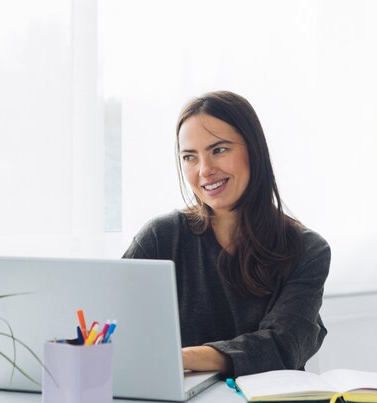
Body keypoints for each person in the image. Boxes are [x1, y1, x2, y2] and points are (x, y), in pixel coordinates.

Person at [123, 91, 331, 377]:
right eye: (189, 157)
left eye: (219, 150)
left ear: (253, 150)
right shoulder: (161, 237)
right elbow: (112, 323)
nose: (205, 170)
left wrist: (183, 358)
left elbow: (283, 345)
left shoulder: (307, 250)